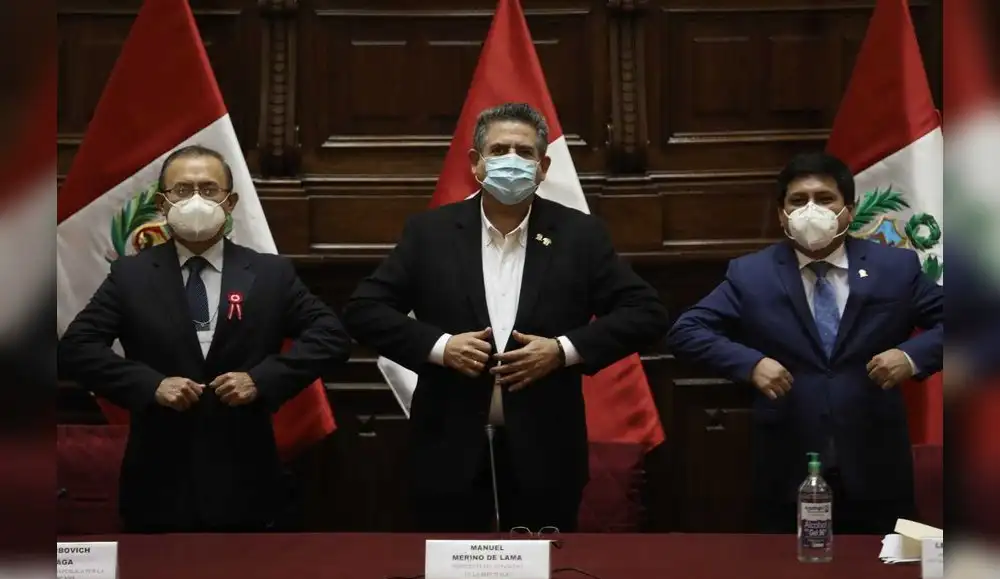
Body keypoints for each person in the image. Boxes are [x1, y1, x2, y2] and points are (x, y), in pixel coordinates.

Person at [343, 102, 669, 533]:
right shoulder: (430, 233)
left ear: (543, 165)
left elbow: (647, 313)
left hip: (546, 450)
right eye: (499, 150)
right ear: (476, 164)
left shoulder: (579, 235)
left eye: (524, 151)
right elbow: (363, 310)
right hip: (447, 449)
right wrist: (441, 347)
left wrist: (562, 351)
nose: (512, 161)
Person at [58, 145, 351, 533]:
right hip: (159, 483)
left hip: (247, 480)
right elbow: (76, 349)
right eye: (182, 190)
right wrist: (152, 385)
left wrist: (261, 379)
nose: (196, 199)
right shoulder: (130, 275)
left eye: (209, 190)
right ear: (162, 203)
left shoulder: (269, 273)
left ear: (229, 202)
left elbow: (332, 337)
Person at [667, 152, 943, 534]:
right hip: (787, 461)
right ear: (782, 215)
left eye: (825, 198)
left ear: (849, 209)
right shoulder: (752, 273)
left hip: (876, 461)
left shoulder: (895, 267)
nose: (811, 209)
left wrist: (911, 357)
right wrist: (750, 364)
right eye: (798, 200)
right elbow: (687, 330)